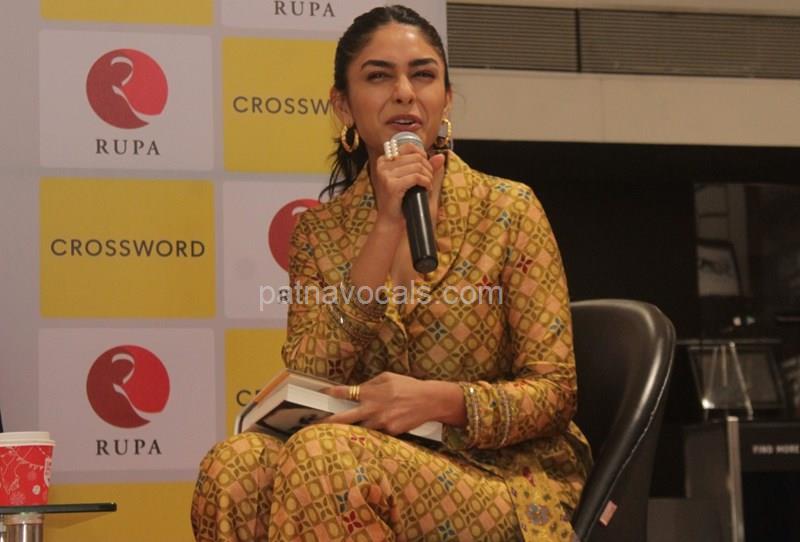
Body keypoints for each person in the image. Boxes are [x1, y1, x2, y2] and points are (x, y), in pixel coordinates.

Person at [191, 5, 591, 541]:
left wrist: (437, 402)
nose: (404, 92)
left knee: (325, 457)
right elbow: (311, 369)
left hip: (502, 473)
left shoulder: (508, 209)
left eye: (422, 75)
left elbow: (554, 393)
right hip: (364, 455)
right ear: (343, 105)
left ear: (446, 98)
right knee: (234, 467)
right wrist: (384, 227)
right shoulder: (318, 233)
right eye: (379, 76)